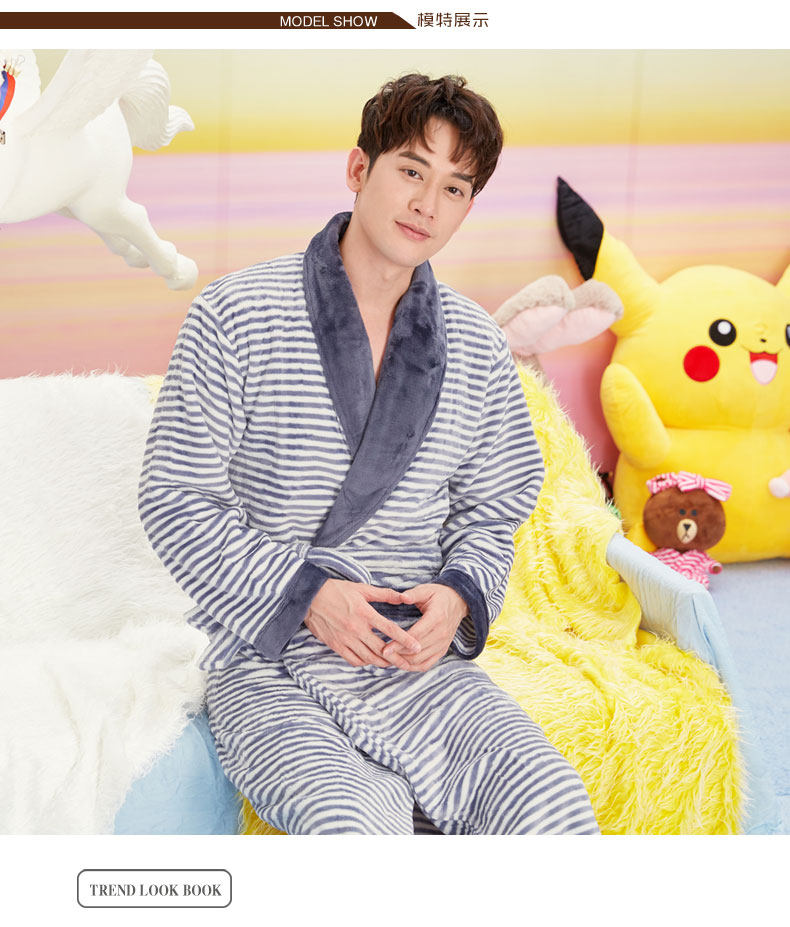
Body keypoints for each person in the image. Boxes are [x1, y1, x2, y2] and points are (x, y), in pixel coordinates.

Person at [138, 73, 599, 835]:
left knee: (552, 804)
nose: (427, 204)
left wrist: (457, 596)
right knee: (349, 824)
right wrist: (309, 594)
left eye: (454, 187)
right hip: (266, 649)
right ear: (360, 168)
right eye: (412, 170)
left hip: (411, 655)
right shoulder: (233, 314)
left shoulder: (477, 345)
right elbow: (176, 499)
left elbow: (493, 510)